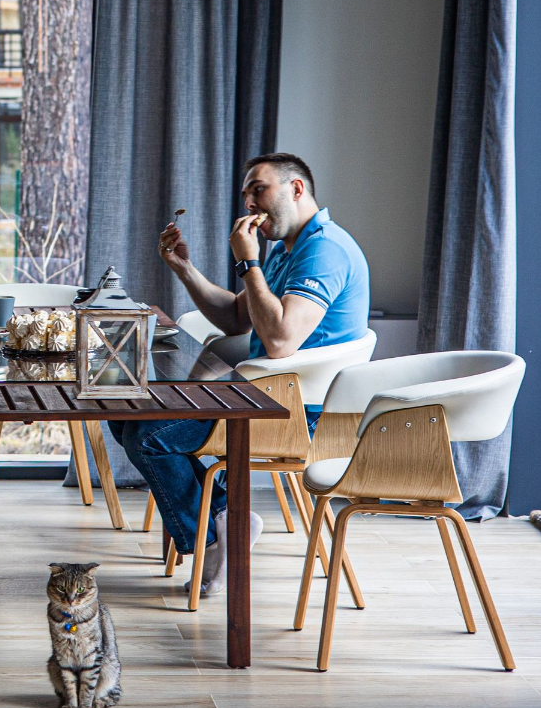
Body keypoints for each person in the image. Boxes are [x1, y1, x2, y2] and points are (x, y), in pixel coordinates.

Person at [113, 152, 371, 596]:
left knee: (149, 436)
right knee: (125, 416)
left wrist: (249, 262)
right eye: (247, 193)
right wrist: (185, 269)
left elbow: (281, 340)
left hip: (295, 412)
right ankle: (226, 519)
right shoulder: (290, 248)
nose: (249, 203)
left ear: (296, 188)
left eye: (259, 189)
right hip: (262, 394)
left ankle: (216, 539)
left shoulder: (324, 249)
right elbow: (237, 319)